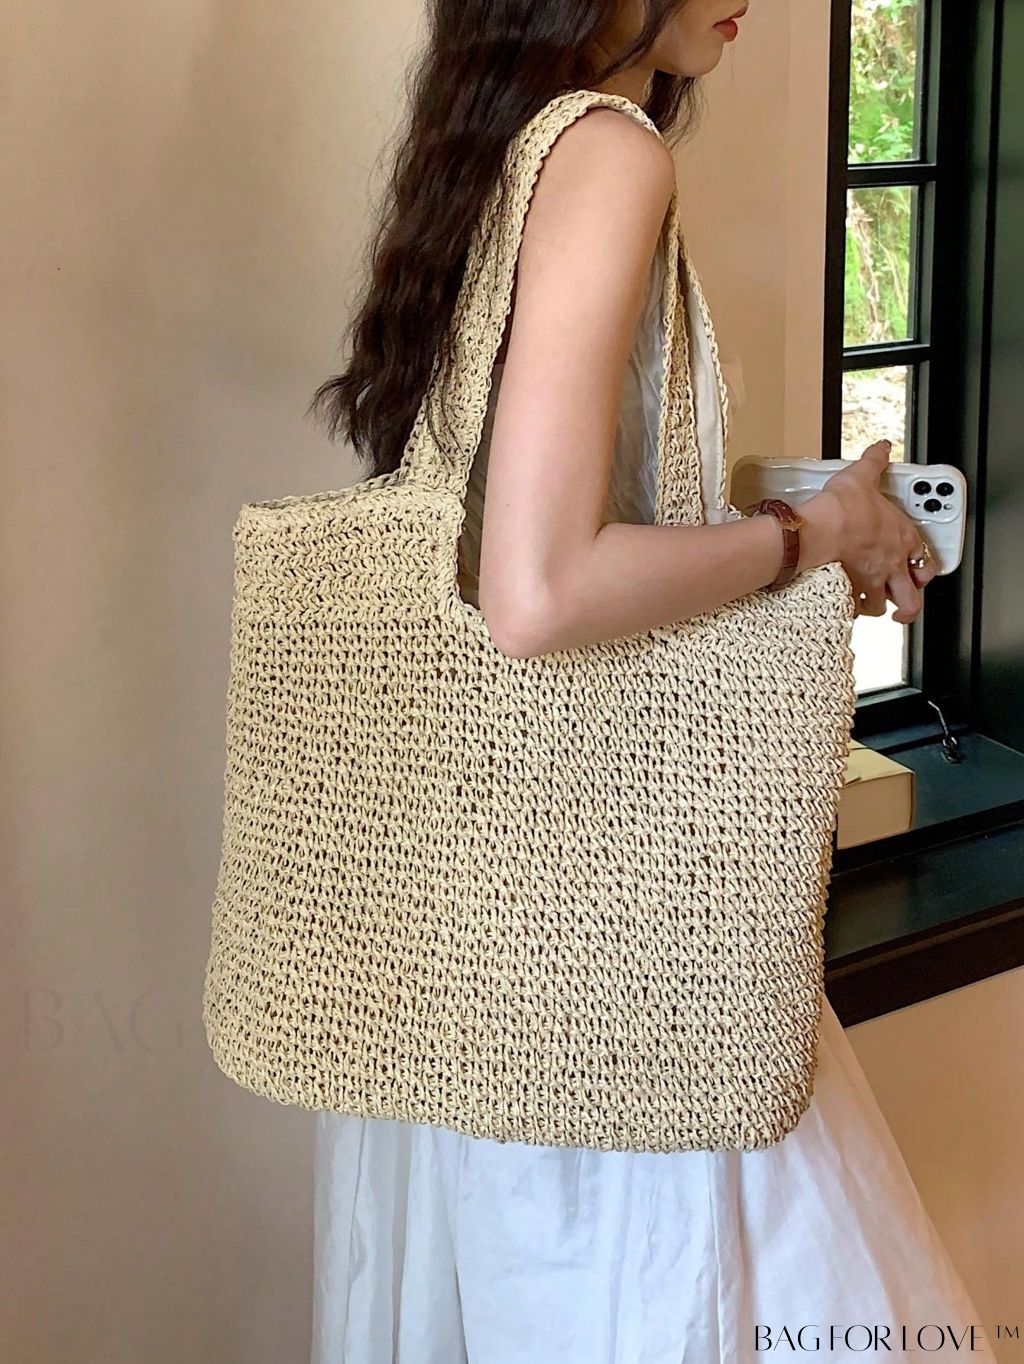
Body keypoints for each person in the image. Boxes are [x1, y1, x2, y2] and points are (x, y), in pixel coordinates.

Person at [305, 2, 990, 1360]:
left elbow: (523, 546)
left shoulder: (493, 145)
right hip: (617, 953)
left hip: (468, 943)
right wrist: (810, 535)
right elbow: (540, 592)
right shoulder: (610, 153)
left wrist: (798, 530)